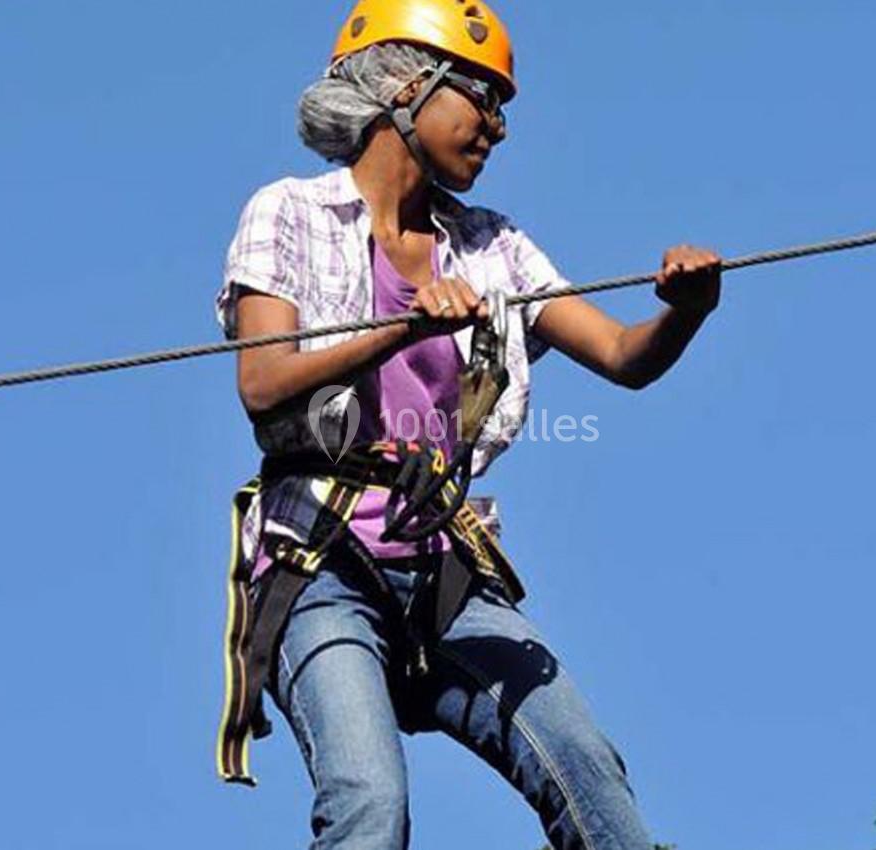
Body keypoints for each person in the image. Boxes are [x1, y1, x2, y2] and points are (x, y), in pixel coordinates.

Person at [213, 2, 721, 848]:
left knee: (587, 770)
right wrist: (404, 328)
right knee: (370, 806)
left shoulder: (493, 249)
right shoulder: (289, 214)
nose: (497, 128)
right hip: (323, 566)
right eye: (482, 99)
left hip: (444, 568)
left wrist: (686, 313)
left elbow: (624, 356)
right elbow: (262, 384)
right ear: (409, 88)